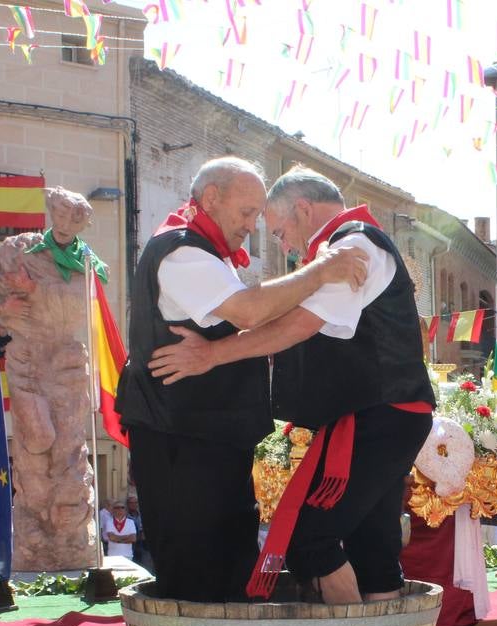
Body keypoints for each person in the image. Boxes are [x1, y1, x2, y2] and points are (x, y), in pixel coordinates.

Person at [148, 165, 434, 603]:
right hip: (372, 416)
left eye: (280, 231)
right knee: (370, 545)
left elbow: (296, 326)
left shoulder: (352, 246)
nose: (284, 246)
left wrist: (211, 355)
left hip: (381, 415)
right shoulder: (337, 252)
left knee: (309, 540)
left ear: (302, 209)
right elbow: (280, 318)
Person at [115, 157, 370, 602]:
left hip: (209, 436)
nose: (252, 226)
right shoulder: (182, 251)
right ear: (211, 199)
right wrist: (323, 269)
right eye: (246, 212)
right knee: (198, 570)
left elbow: (258, 316)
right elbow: (251, 310)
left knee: (230, 565)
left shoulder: (207, 252)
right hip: (181, 439)